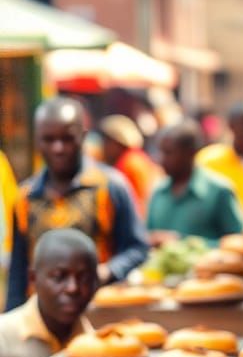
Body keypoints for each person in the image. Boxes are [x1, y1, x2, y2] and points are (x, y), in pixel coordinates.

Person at [6, 98, 148, 310]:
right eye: (49, 139)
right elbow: (18, 270)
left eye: (67, 139)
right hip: (40, 315)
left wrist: (107, 271)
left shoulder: (110, 186)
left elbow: (137, 248)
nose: (58, 148)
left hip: (98, 313)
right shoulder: (25, 197)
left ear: (83, 136)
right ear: (37, 141)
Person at [0, 228, 98, 357]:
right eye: (59, 277)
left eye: (84, 278)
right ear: (33, 279)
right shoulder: (4, 339)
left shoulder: (97, 347)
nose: (72, 288)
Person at [147, 120, 243, 244]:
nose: (162, 160)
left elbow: (240, 242)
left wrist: (184, 243)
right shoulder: (159, 192)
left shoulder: (218, 191)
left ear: (190, 153)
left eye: (169, 153)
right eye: (161, 152)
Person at [98, 114, 161, 213]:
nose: (103, 147)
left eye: (106, 142)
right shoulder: (135, 157)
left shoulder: (130, 163)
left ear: (116, 142)